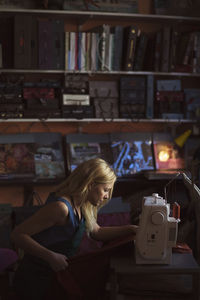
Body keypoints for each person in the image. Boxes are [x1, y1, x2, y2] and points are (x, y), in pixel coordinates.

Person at [11, 158, 137, 300]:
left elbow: (96, 232)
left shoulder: (83, 204)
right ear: (90, 184)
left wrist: (131, 229)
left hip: (54, 274)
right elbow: (17, 234)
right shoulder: (61, 208)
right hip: (35, 279)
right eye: (105, 190)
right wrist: (50, 256)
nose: (107, 196)